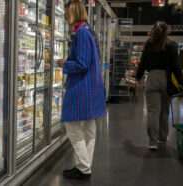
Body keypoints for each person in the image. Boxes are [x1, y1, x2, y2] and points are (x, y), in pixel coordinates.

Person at [57, 0, 106, 180]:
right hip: (92, 86)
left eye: (67, 12)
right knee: (89, 129)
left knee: (72, 126)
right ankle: (83, 166)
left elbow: (82, 63)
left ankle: (84, 167)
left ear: (74, 12)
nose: (65, 15)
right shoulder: (87, 31)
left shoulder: (82, 34)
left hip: (82, 88)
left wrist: (65, 63)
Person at [136, 22, 183, 150]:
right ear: (167, 32)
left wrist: (138, 77)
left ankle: (152, 142)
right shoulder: (172, 45)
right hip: (166, 79)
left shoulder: (149, 44)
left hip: (152, 78)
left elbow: (142, 63)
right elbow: (176, 67)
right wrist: (182, 83)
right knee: (164, 112)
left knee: (153, 112)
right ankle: (162, 138)